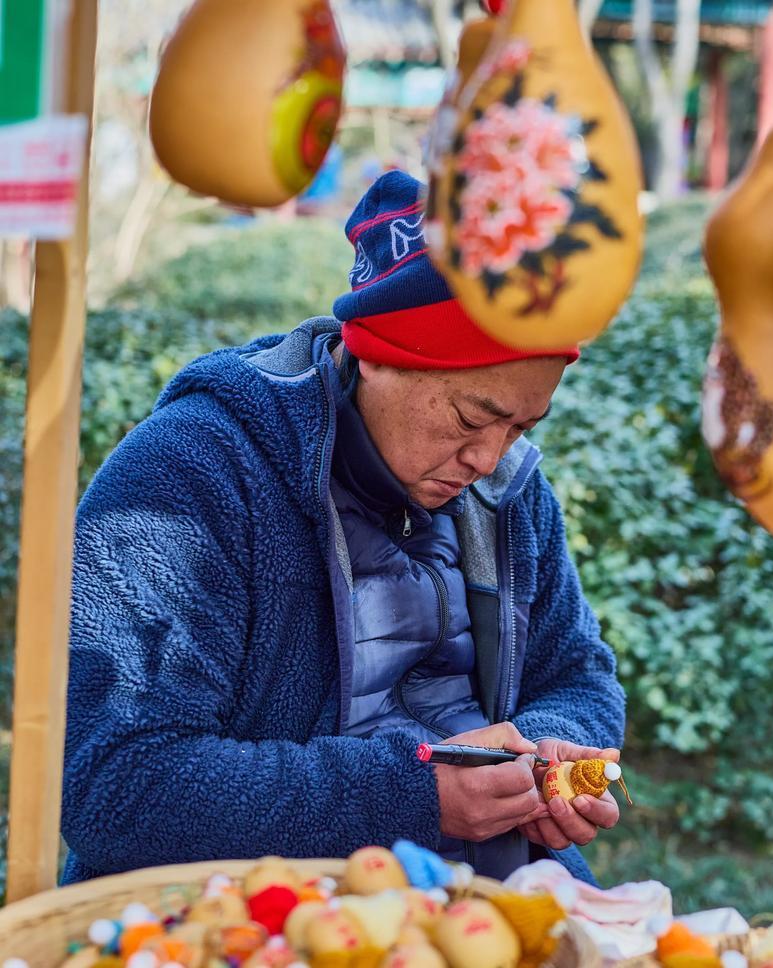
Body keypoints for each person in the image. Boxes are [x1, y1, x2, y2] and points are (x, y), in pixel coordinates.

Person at [60, 170, 626, 884]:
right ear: (377, 353)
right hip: (249, 917)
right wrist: (415, 796)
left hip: (498, 901)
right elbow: (114, 783)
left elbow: (578, 673)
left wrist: (554, 756)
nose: (489, 459)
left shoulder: (510, 489)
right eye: (472, 418)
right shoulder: (188, 476)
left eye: (522, 425)